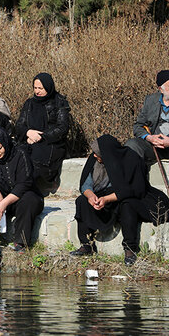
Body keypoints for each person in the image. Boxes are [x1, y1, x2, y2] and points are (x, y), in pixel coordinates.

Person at [71, 135, 169, 265]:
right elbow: (85, 184)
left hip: (129, 196)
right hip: (104, 196)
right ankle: (86, 245)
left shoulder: (131, 159)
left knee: (127, 205)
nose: (95, 156)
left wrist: (107, 199)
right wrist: (90, 196)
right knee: (81, 201)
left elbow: (136, 189)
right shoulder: (94, 159)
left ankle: (130, 248)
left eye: (98, 153)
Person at [15, 73, 70, 191]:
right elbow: (19, 125)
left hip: (51, 143)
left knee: (37, 158)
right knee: (19, 155)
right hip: (29, 140)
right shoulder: (29, 103)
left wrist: (41, 136)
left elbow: (62, 128)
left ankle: (25, 191)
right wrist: (28, 133)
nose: (37, 91)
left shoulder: (59, 102)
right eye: (35, 88)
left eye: (41, 88)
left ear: (48, 87)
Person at [125, 70, 169, 164]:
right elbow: (138, 126)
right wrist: (150, 138)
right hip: (154, 147)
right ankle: (136, 178)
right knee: (132, 145)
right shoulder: (150, 101)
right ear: (161, 89)